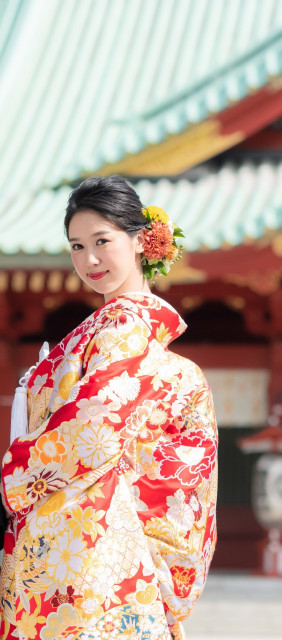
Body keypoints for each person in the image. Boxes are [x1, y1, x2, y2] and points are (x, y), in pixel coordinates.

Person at [0, 176, 218, 640]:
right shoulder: (132, 336)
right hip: (112, 549)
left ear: (141, 240)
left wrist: (14, 474)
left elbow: (93, 422)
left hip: (87, 552)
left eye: (103, 241)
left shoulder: (122, 322)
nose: (89, 260)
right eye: (76, 246)